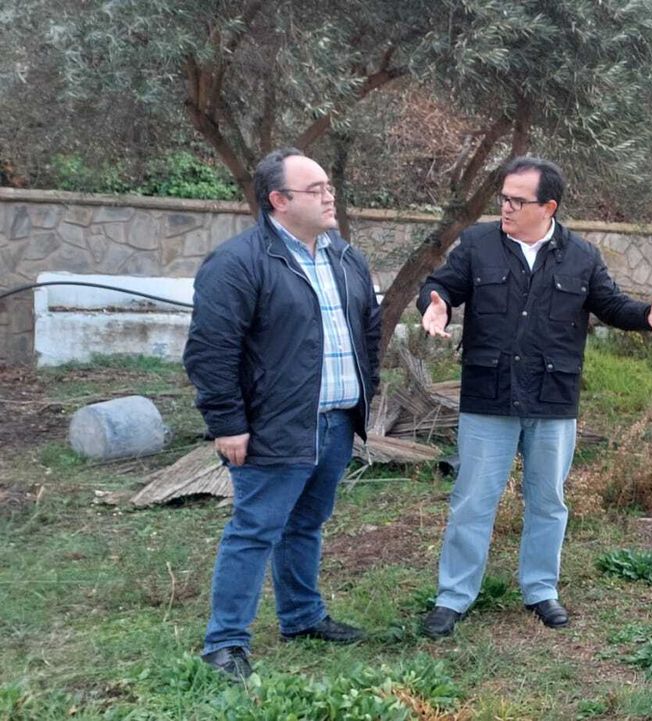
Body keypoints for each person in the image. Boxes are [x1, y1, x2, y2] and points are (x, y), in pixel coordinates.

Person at [416, 156, 652, 637]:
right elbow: (440, 287)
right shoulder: (477, 244)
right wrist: (435, 308)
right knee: (472, 502)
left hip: (552, 397)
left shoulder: (581, 255)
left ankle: (540, 590)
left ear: (549, 207)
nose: (506, 207)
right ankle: (452, 597)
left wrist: (646, 315)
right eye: (503, 198)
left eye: (518, 201)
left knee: (548, 501)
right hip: (489, 395)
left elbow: (611, 304)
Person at [183, 148, 380, 680]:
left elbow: (369, 332)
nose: (329, 195)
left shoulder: (346, 258)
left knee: (306, 525)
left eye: (328, 186)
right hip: (275, 427)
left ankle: (302, 616)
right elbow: (210, 351)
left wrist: (368, 392)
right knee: (255, 530)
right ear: (279, 200)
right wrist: (228, 423)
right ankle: (225, 643)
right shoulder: (238, 262)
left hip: (336, 423)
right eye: (315, 189)